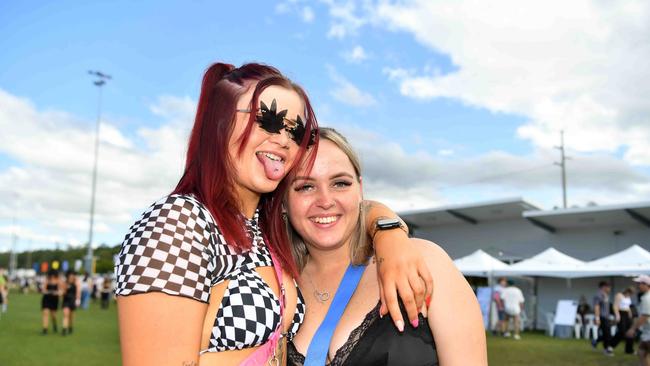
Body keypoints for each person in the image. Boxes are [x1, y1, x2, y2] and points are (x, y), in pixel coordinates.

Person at [115, 62, 432, 366]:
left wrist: (389, 231)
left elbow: (341, 211)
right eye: (265, 120)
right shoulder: (179, 223)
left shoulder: (266, 231)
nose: (282, 139)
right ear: (219, 124)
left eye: (296, 132)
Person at [285, 127, 487, 365]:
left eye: (340, 183)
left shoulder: (425, 261)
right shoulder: (276, 285)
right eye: (305, 187)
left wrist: (387, 230)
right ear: (283, 201)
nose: (326, 201)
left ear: (360, 189)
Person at [626, 275, 650, 366]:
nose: (638, 285)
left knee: (642, 352)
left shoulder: (647, 298)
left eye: (640, 283)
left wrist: (633, 329)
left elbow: (645, 316)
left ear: (646, 285)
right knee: (641, 352)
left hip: (649, 332)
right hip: (647, 332)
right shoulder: (646, 297)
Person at [592, 281, 614, 355]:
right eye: (608, 287)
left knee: (605, 334)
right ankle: (606, 349)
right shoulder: (598, 295)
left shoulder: (606, 295)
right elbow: (596, 307)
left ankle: (595, 342)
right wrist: (597, 318)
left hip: (606, 317)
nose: (610, 289)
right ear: (604, 287)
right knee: (607, 334)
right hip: (602, 317)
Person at [611, 286, 635, 354]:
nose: (630, 295)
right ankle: (610, 346)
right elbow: (615, 306)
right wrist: (617, 315)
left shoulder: (628, 297)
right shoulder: (619, 295)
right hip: (621, 313)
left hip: (627, 314)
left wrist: (630, 313)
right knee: (622, 331)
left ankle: (629, 349)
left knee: (630, 332)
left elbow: (628, 306)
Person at [41, 269, 61, 334]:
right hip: (47, 298)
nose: (52, 277)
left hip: (54, 299)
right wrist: (48, 292)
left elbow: (61, 290)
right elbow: (43, 289)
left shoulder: (58, 281)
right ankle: (45, 329)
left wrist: (56, 293)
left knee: (53, 315)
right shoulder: (47, 280)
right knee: (45, 313)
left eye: (53, 275)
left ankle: (54, 324)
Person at [61, 270, 81, 335]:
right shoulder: (65, 282)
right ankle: (64, 328)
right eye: (70, 274)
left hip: (73, 300)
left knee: (71, 316)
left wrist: (78, 300)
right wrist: (64, 289)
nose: (71, 276)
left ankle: (70, 327)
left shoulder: (76, 282)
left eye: (73, 274)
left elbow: (78, 292)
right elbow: (63, 292)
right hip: (66, 300)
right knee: (65, 314)